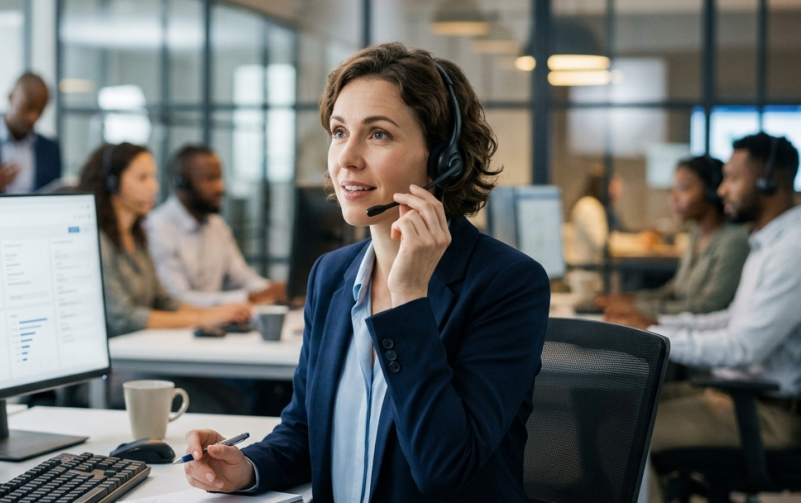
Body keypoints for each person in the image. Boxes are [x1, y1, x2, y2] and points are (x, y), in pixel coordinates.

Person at [181, 43, 550, 501]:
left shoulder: (507, 283)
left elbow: (444, 468)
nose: (346, 158)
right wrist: (248, 467)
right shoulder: (332, 275)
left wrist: (409, 298)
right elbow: (305, 432)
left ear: (442, 158)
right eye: (339, 132)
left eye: (378, 135)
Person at [605, 133, 801, 503]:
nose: (721, 190)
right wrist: (654, 327)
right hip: (738, 399)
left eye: (732, 179)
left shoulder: (795, 254)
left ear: (768, 181)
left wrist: (656, 337)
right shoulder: (770, 244)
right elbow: (730, 321)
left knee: (625, 433)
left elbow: (741, 347)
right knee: (620, 405)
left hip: (766, 417)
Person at [78, 142, 253, 338]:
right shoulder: (96, 241)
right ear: (112, 182)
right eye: (142, 178)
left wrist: (217, 314)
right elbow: (124, 318)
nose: (154, 186)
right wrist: (205, 318)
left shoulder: (137, 236)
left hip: (139, 348)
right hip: (118, 359)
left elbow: (164, 302)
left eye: (153, 176)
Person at [598, 156, 749, 318]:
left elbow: (708, 307)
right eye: (673, 190)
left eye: (683, 188)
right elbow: (676, 290)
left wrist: (638, 308)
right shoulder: (695, 233)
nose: (674, 198)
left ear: (711, 192)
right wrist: (630, 300)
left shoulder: (734, 241)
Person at [145, 145, 286, 307]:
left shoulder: (217, 225)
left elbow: (242, 277)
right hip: (180, 326)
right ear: (181, 184)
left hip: (215, 322)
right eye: (210, 179)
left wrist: (276, 290)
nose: (220, 187)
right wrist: (247, 298)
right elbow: (177, 298)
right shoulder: (158, 227)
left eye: (220, 178)